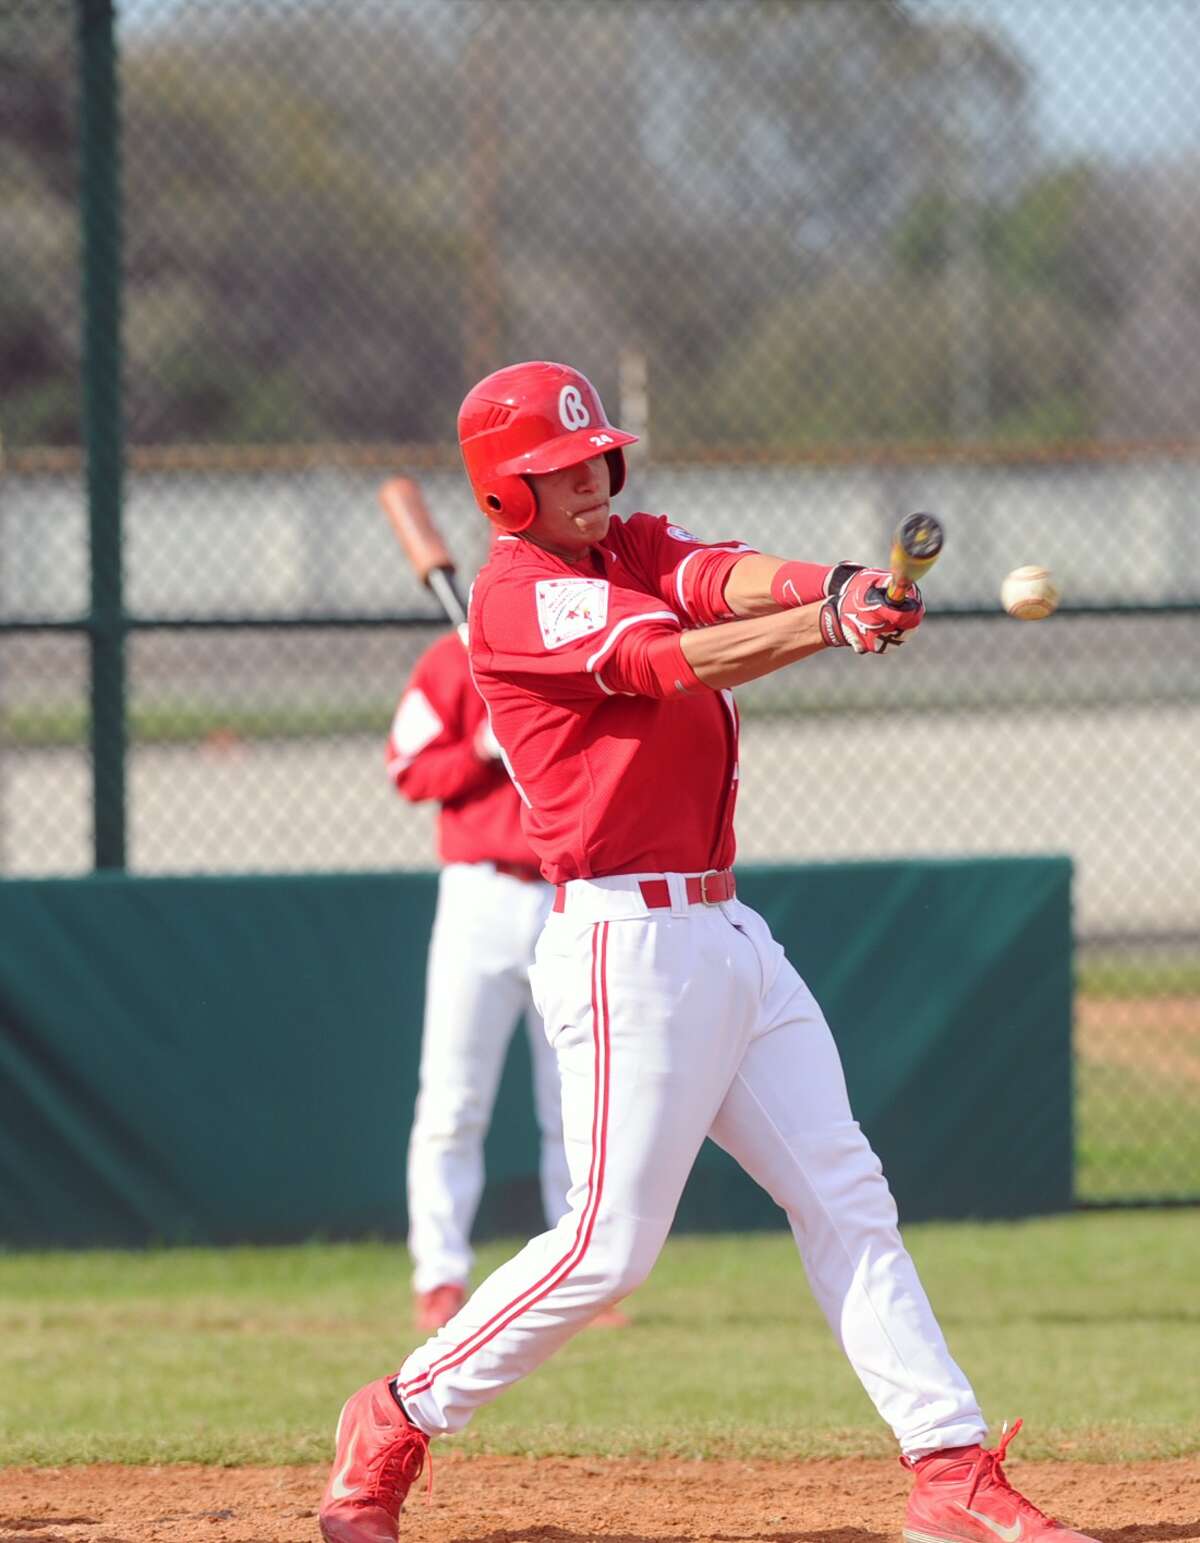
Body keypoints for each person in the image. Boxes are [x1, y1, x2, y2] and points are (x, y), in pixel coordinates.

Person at [319, 361, 1098, 1543]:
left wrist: (838, 583)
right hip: (623, 941)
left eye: (595, 457)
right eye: (557, 469)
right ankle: (393, 1415)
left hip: (728, 928)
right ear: (506, 493)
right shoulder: (517, 597)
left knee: (846, 1194)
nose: (589, 479)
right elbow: (669, 656)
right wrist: (828, 626)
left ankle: (949, 1470)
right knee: (607, 1249)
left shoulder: (628, 546)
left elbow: (718, 576)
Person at [386, 628, 568, 1333]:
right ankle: (439, 1275)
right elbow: (407, 768)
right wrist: (481, 748)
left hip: (570, 891)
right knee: (452, 1098)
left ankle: (580, 1276)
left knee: (575, 1101)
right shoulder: (452, 657)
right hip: (479, 892)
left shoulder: (577, 638)